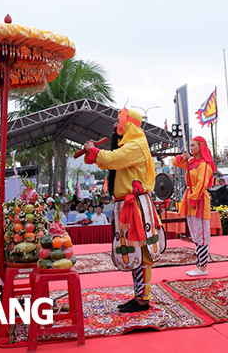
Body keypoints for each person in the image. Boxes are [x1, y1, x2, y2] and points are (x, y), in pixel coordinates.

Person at [83, 107, 166, 313]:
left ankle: (142, 299)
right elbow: (108, 162)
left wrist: (92, 150)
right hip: (128, 205)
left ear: (129, 125)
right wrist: (92, 152)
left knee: (141, 252)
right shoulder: (129, 145)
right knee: (133, 251)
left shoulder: (136, 146)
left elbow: (111, 159)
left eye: (119, 123)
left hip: (135, 206)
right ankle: (139, 297)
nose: (115, 126)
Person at [172, 136, 216, 276]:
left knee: (201, 234)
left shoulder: (204, 164)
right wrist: (182, 157)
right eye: (190, 146)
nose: (191, 148)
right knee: (195, 234)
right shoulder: (191, 163)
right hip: (191, 197)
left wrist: (194, 198)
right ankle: (199, 266)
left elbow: (202, 183)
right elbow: (175, 162)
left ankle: (203, 267)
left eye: (193, 146)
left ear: (200, 147)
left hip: (199, 199)